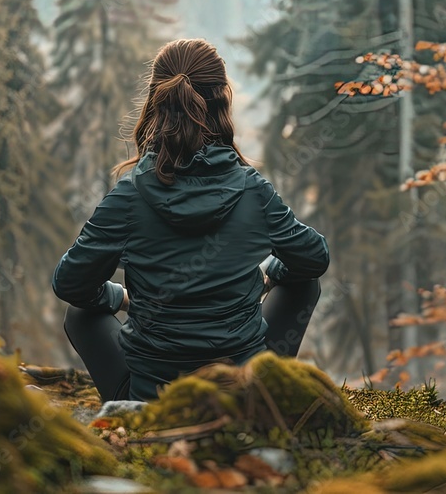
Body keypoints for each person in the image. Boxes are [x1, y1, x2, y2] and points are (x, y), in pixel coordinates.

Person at [52, 38, 329, 402]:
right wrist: (268, 275)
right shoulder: (253, 191)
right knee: (302, 283)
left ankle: (129, 409)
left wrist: (120, 298)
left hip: (152, 397)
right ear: (223, 102)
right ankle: (265, 393)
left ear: (155, 102)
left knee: (80, 314)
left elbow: (70, 283)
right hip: (242, 392)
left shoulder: (128, 197)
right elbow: (314, 257)